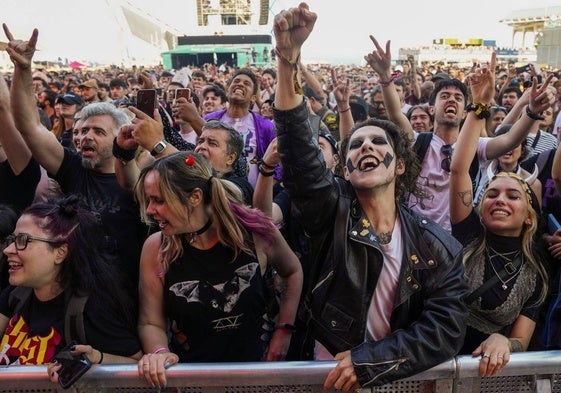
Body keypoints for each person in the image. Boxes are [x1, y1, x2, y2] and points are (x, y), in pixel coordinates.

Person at [273, 4, 468, 391]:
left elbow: (447, 327)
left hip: (394, 381)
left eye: (379, 142)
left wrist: (370, 362)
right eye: (356, 145)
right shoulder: (331, 215)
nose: (367, 147)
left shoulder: (436, 244)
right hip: (324, 377)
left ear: (399, 167)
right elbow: (298, 151)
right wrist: (287, 61)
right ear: (345, 170)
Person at [134, 152, 302, 388]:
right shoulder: (157, 249)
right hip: (193, 380)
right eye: (149, 200)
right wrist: (160, 352)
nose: (150, 210)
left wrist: (284, 329)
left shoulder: (255, 231)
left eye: (158, 200)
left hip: (258, 375)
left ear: (195, 197)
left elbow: (292, 271)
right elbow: (150, 322)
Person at [3, 23, 147, 293]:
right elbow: (29, 126)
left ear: (121, 135)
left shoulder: (140, 177)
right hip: (77, 292)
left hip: (127, 297)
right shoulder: (72, 168)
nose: (84, 137)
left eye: (97, 131)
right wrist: (23, 69)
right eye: (80, 132)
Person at [449, 65, 550, 377]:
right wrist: (478, 105)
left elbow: (521, 338)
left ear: (529, 216)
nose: (501, 200)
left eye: (513, 195)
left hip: (484, 377)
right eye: (492, 194)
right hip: (432, 361)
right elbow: (459, 169)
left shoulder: (537, 270)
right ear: (480, 205)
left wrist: (503, 341)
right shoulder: (467, 232)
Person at [0, 195, 142, 370]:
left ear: (60, 252)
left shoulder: (91, 308)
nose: (8, 250)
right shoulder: (15, 295)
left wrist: (96, 359)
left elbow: (135, 362)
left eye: (23, 240)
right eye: (12, 240)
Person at [204, 68, 278, 188]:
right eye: (236, 81)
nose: (240, 84)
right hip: (214, 192)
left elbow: (277, 163)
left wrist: (263, 191)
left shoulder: (265, 126)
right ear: (228, 90)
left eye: (246, 84)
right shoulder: (209, 120)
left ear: (254, 98)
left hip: (251, 199)